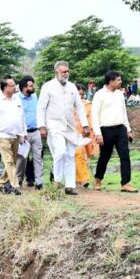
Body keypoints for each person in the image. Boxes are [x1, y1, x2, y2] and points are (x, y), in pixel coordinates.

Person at [37, 61, 91, 195]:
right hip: (54, 126)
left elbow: (79, 106)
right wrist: (41, 126)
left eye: (67, 71)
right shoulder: (48, 87)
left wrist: (85, 125)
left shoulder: (72, 87)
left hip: (70, 127)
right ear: (57, 72)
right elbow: (41, 108)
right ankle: (57, 181)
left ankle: (70, 185)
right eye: (63, 72)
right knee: (60, 151)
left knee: (69, 155)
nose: (66, 74)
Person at [91, 71, 138, 193]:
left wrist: (128, 129)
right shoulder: (99, 95)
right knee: (105, 156)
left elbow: (124, 113)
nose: (120, 82)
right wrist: (98, 133)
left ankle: (125, 183)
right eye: (118, 80)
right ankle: (98, 179)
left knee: (125, 155)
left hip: (121, 129)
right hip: (106, 130)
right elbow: (94, 115)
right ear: (111, 82)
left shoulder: (120, 94)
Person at [0, 77, 26, 195]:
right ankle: (15, 185)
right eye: (12, 85)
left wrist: (23, 133)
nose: (15, 87)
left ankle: (2, 183)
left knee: (13, 161)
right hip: (2, 135)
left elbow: (22, 117)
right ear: (5, 88)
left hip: (16, 135)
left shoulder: (17, 99)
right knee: (8, 161)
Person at [15, 75, 44, 191]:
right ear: (23, 87)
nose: (33, 87)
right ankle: (19, 181)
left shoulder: (35, 97)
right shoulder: (16, 98)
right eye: (30, 86)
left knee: (38, 157)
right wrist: (20, 133)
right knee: (22, 158)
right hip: (23, 133)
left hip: (36, 131)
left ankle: (39, 182)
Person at [74, 84, 98, 187]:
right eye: (79, 94)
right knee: (79, 154)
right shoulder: (68, 105)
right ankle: (84, 179)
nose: (81, 97)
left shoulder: (88, 105)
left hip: (87, 135)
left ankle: (79, 179)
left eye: (82, 94)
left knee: (86, 157)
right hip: (74, 135)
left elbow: (92, 119)